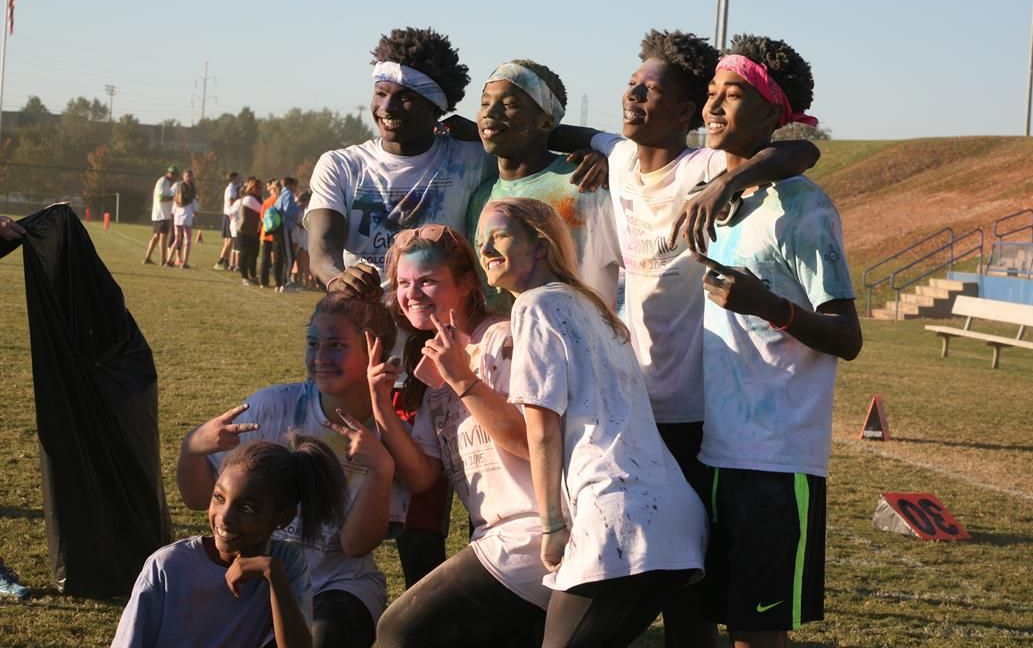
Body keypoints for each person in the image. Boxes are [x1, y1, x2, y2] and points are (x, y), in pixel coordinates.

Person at [549, 30, 820, 646]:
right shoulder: (618, 159)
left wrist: (726, 184)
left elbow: (799, 155)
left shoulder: (702, 167)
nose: (634, 93)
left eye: (652, 89)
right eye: (632, 83)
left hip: (699, 414)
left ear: (684, 110)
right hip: (632, 406)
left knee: (690, 588)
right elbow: (566, 136)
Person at [691, 34, 862, 648]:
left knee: (757, 634)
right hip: (712, 449)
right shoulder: (712, 194)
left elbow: (847, 336)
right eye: (710, 94)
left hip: (775, 458)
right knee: (704, 622)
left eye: (731, 95)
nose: (712, 107)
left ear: (772, 113)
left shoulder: (803, 208)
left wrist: (767, 305)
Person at [478, 197, 707, 648]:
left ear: (539, 246)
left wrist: (551, 526)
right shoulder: (594, 307)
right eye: (481, 238)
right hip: (677, 518)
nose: (485, 247)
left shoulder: (534, 307)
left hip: (616, 518)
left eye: (500, 235)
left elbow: (542, 429)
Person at [176, 292, 405, 648]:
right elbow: (197, 500)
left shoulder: (390, 433)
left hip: (337, 588)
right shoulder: (273, 406)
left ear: (372, 350)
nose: (320, 358)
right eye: (313, 343)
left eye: (336, 345)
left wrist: (381, 469)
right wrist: (191, 450)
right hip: (252, 577)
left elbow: (355, 545)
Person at [372, 225, 550, 648]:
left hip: (536, 536)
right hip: (493, 538)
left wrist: (465, 381)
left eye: (427, 280)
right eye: (402, 283)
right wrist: (381, 407)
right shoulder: (434, 363)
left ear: (468, 281)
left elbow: (533, 443)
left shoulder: (505, 339)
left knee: (398, 631)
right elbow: (421, 477)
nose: (411, 293)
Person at [305, 27, 496, 301]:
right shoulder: (341, 165)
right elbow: (322, 246)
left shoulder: (473, 160)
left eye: (405, 98)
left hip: (443, 335)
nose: (387, 107)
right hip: (364, 328)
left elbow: (536, 141)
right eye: (381, 93)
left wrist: (583, 147)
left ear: (436, 107)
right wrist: (337, 278)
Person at [113, 436, 346, 648]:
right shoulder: (168, 566)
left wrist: (272, 574)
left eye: (247, 508)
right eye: (219, 498)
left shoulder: (285, 563)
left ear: (282, 518)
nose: (224, 517)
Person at [466, 59, 620, 308]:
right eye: (484, 103)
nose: (490, 113)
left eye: (509, 105)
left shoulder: (585, 182)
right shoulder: (482, 198)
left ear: (547, 122)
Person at [142, 165, 177, 265]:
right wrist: (173, 198)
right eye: (172, 173)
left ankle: (147, 257)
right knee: (163, 237)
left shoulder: (165, 182)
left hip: (161, 214)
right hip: (162, 214)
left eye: (174, 174)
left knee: (157, 236)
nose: (173, 176)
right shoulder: (163, 181)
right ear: (168, 173)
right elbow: (161, 197)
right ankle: (163, 260)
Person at [165, 169, 198, 269]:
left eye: (190, 176)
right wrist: (196, 211)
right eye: (187, 176)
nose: (189, 178)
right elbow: (193, 201)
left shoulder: (181, 186)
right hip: (184, 215)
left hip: (180, 215)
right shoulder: (185, 187)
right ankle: (180, 261)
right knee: (184, 240)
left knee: (179, 240)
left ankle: (172, 261)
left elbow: (174, 198)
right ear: (183, 176)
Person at [236, 177, 264, 285]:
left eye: (261, 188)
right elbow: (262, 210)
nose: (260, 190)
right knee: (245, 254)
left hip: (254, 232)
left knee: (254, 255)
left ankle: (252, 276)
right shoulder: (249, 199)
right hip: (244, 231)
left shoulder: (258, 198)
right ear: (252, 188)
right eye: (258, 188)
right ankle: (245, 278)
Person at [216, 172, 241, 270]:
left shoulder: (234, 187)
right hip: (229, 216)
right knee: (230, 240)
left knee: (227, 240)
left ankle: (226, 261)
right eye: (238, 177)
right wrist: (239, 199)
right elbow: (231, 201)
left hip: (228, 215)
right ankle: (220, 260)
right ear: (234, 178)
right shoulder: (231, 188)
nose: (240, 179)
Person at [260, 180, 282, 289]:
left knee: (265, 258)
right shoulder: (278, 201)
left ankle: (263, 281)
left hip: (266, 233)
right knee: (277, 258)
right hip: (276, 235)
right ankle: (278, 280)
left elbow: (262, 218)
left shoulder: (266, 202)